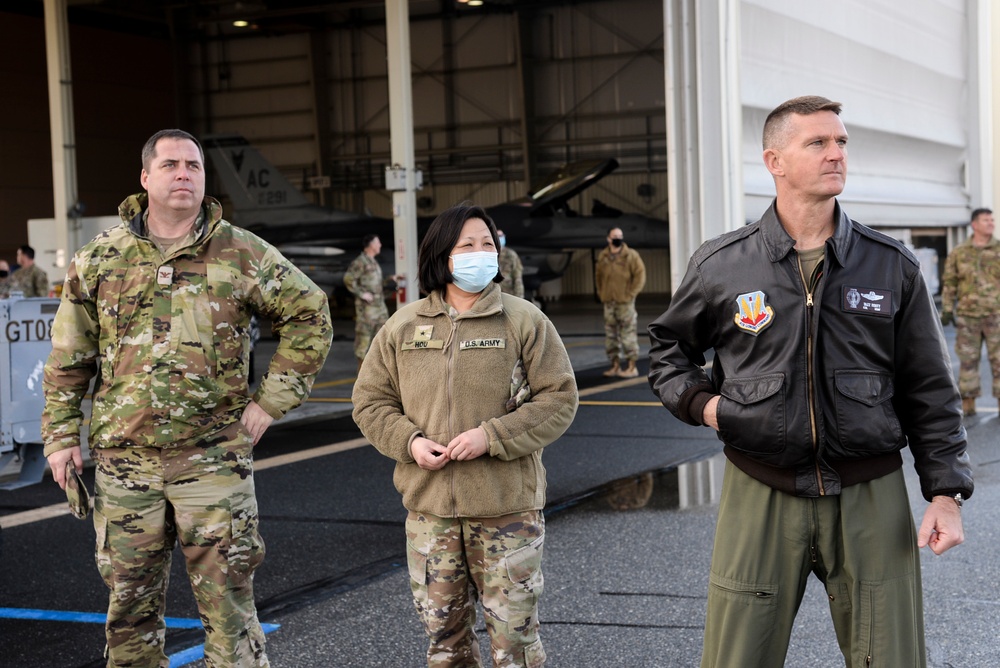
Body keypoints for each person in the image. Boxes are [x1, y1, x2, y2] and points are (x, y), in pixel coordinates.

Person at [647, 96, 973, 667]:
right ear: (775, 160)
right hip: (761, 487)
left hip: (869, 492)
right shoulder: (723, 264)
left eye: (841, 142)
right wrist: (708, 408)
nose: (836, 154)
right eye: (818, 143)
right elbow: (667, 350)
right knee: (737, 656)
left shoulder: (889, 264)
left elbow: (930, 388)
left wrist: (945, 494)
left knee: (891, 657)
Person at [42, 129, 333, 668]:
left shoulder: (242, 253)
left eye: (194, 166)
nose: (184, 174)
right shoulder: (100, 258)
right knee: (129, 610)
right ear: (146, 178)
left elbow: (310, 315)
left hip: (213, 460)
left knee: (228, 606)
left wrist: (271, 401)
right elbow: (69, 354)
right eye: (171, 164)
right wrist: (60, 435)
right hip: (125, 463)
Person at [352, 203, 578, 668]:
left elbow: (559, 398)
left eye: (488, 244)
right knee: (444, 645)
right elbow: (370, 402)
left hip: (506, 513)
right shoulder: (401, 326)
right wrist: (410, 442)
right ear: (442, 255)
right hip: (429, 514)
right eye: (467, 245)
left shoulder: (524, 321)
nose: (481, 253)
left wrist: (491, 437)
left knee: (514, 645)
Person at [940, 207, 1000, 416]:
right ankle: (968, 405)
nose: (991, 223)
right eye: (986, 220)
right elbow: (950, 282)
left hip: (996, 316)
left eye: (992, 220)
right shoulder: (959, 252)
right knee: (968, 361)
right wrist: (947, 309)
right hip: (968, 317)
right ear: (974, 224)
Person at [594, 226, 646, 378]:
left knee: (628, 334)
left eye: (620, 235)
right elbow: (598, 277)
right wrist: (601, 293)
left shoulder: (630, 256)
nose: (618, 238)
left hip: (625, 304)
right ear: (609, 239)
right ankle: (614, 365)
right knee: (611, 336)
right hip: (609, 303)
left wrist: (630, 294)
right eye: (615, 236)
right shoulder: (603, 256)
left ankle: (631, 366)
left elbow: (640, 276)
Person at [343, 234, 397, 373]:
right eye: (378, 243)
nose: (380, 245)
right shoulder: (360, 262)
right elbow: (348, 279)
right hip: (367, 312)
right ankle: (361, 379)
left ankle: (378, 376)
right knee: (363, 345)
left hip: (379, 310)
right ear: (371, 245)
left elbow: (374, 284)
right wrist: (362, 294)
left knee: (381, 341)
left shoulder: (373, 262)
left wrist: (390, 279)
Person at [497, 229, 524, 298]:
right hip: (494, 295)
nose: (500, 238)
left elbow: (517, 278)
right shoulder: (489, 255)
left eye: (501, 236)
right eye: (497, 236)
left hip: (508, 294)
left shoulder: (511, 254)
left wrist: (519, 298)